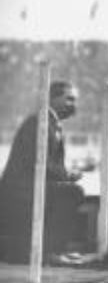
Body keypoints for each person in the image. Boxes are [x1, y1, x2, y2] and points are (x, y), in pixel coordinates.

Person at [0, 81, 86, 264]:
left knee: (69, 191)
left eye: (75, 100)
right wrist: (68, 175)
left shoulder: (51, 123)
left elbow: (47, 164)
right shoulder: (39, 123)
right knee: (72, 193)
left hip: (31, 184)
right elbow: (37, 163)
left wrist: (67, 174)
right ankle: (50, 251)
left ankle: (55, 249)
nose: (74, 105)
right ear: (53, 98)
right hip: (19, 189)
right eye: (69, 99)